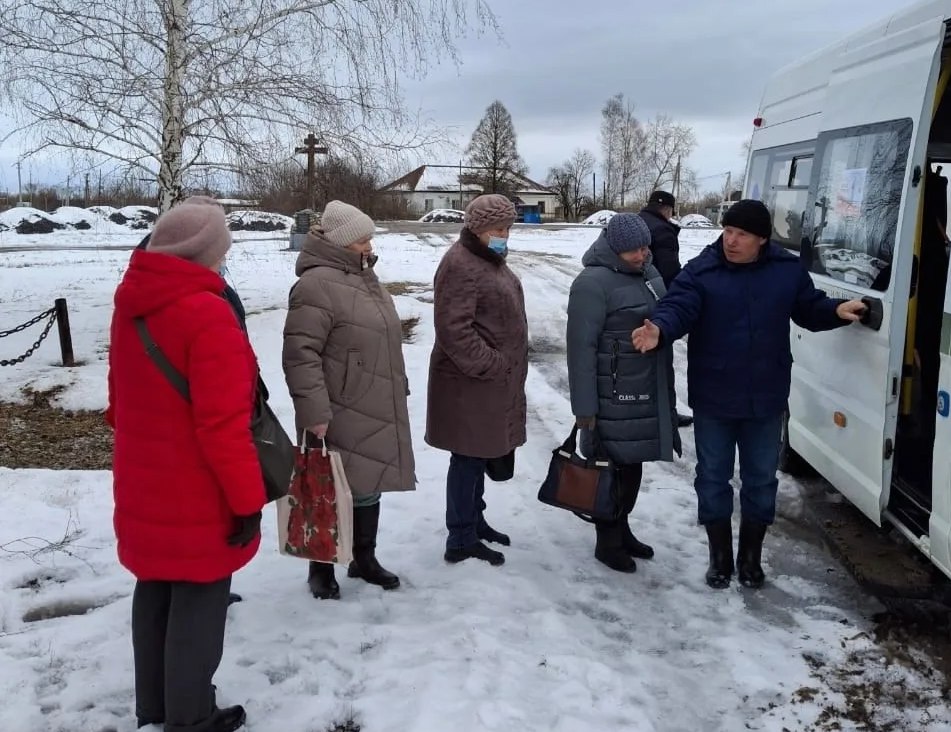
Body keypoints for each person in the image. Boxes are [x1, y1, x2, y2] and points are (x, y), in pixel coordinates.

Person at [631, 199, 867, 590]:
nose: (731, 240)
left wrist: (836, 311)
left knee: (760, 480)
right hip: (715, 396)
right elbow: (678, 306)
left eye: (741, 234)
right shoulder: (702, 271)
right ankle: (720, 557)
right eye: (727, 231)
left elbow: (808, 307)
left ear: (761, 239)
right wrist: (659, 328)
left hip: (766, 396)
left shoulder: (786, 270)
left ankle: (751, 557)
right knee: (713, 478)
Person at [107, 197, 265, 732]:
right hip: (199, 488)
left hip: (143, 479)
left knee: (154, 589)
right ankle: (192, 717)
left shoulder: (132, 304)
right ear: (208, 253)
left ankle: (155, 705)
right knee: (199, 601)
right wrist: (247, 501)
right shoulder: (208, 314)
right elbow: (224, 428)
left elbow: (119, 401)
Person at [283, 200, 416, 600]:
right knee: (327, 486)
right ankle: (320, 566)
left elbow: (381, 337)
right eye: (361, 240)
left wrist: (396, 382)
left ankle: (364, 557)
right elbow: (300, 354)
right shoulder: (314, 285)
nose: (369, 246)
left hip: (372, 397)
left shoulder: (364, 276)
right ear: (340, 243)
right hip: (336, 405)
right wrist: (314, 411)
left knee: (367, 482)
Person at [567, 213, 681, 572]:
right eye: (634, 249)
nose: (642, 254)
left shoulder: (647, 273)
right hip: (610, 396)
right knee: (609, 471)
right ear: (614, 248)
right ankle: (607, 541)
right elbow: (580, 350)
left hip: (643, 388)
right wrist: (585, 409)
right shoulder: (591, 283)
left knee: (631, 467)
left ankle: (622, 529)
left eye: (645, 247)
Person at [425, 194, 529, 566]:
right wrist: (493, 364)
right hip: (468, 384)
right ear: (478, 229)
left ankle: (475, 521)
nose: (505, 235)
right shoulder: (460, 264)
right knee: (467, 458)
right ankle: (460, 537)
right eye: (498, 229)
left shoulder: (487, 259)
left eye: (508, 228)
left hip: (487, 384)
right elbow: (454, 330)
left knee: (480, 453)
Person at [639, 190, 693, 429]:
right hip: (656, 302)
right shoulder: (663, 230)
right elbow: (670, 272)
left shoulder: (637, 222)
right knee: (660, 363)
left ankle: (643, 411)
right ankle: (667, 414)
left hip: (632, 298)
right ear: (668, 210)